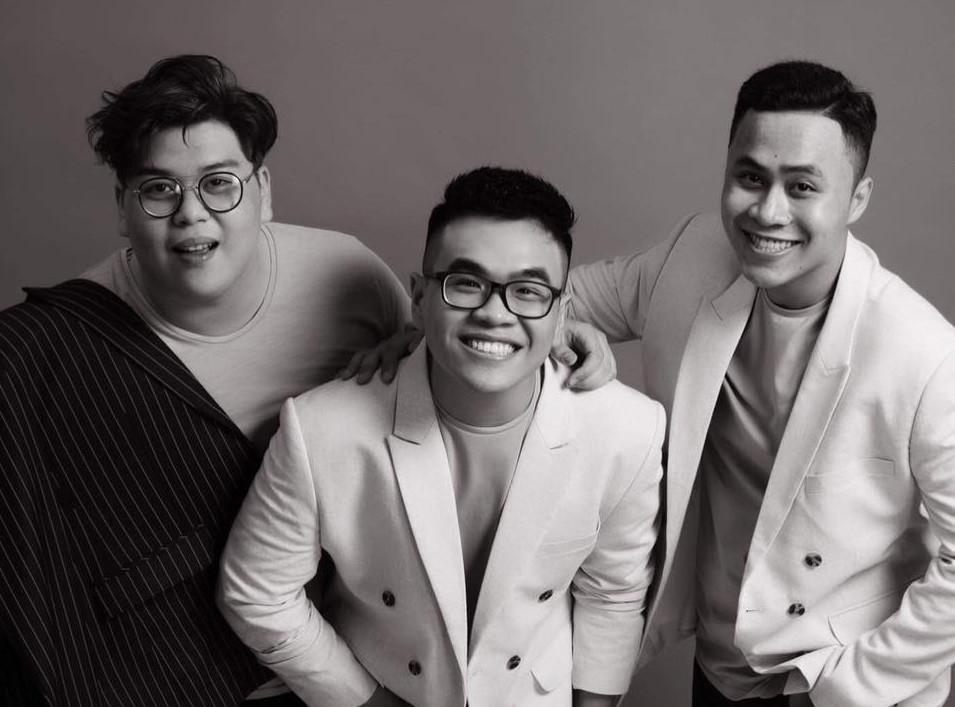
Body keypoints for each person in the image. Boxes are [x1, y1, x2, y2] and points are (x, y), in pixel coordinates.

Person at [0, 55, 408, 706]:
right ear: (123, 206)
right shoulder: (46, 349)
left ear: (263, 189)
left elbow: (438, 408)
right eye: (159, 189)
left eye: (219, 183)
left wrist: (557, 335)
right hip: (177, 680)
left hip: (364, 656)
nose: (192, 214)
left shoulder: (348, 275)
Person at [563, 61, 955, 706]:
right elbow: (546, 299)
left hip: (845, 680)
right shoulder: (693, 255)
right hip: (722, 668)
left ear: (857, 199)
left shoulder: (922, 352)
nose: (768, 211)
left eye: (802, 187)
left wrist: (847, 686)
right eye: (750, 178)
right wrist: (561, 330)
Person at [217, 167, 666, 707]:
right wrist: (364, 700)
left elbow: (614, 594)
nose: (494, 314)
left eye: (527, 291)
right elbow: (256, 592)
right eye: (466, 283)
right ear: (418, 297)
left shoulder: (627, 429)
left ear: (561, 313)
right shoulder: (320, 428)